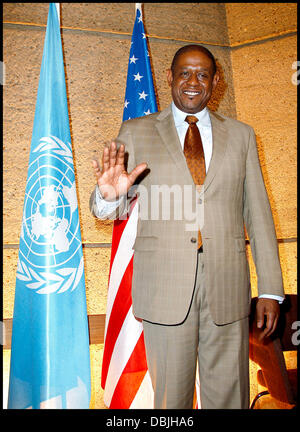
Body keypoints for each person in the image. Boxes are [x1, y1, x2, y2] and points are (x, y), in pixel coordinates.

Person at [90, 45, 284, 409]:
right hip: (164, 289)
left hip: (227, 287)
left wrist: (271, 290)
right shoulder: (136, 131)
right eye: (184, 73)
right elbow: (107, 213)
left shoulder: (241, 136)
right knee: (171, 400)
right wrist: (109, 196)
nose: (193, 82)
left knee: (231, 396)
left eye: (203, 74)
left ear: (215, 81)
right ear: (169, 77)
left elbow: (258, 214)